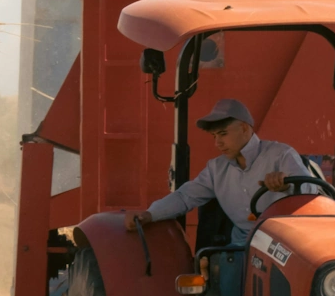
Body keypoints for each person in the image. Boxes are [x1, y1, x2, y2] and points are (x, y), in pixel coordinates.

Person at [124, 98, 317, 244]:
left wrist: (287, 183)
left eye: (223, 134)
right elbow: (185, 197)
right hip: (239, 247)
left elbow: (310, 193)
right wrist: (150, 214)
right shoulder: (216, 169)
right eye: (215, 136)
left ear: (244, 128)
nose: (218, 143)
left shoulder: (280, 155)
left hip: (282, 245)